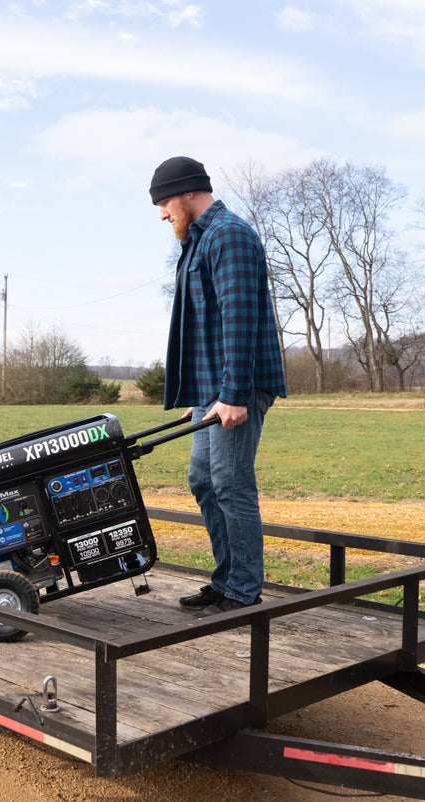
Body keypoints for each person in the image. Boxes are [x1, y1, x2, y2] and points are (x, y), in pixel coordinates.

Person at [149, 156, 286, 614]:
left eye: (165, 203)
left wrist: (231, 394)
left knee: (230, 483)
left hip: (236, 388)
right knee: (203, 480)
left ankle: (243, 592)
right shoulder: (198, 241)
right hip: (212, 390)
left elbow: (239, 320)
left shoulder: (229, 235)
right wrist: (200, 394)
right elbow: (202, 326)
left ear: (189, 192)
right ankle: (227, 580)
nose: (162, 214)